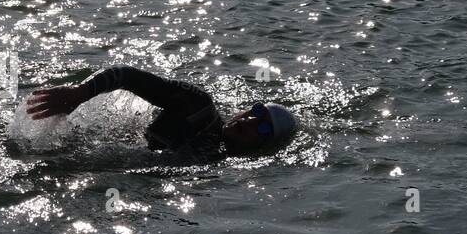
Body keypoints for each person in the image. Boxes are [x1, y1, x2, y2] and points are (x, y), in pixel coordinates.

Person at [25, 65, 298, 156]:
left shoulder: (215, 166)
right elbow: (125, 75)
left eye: (262, 127)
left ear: (262, 147)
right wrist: (79, 94)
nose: (250, 121)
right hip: (96, 144)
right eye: (256, 112)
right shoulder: (199, 107)